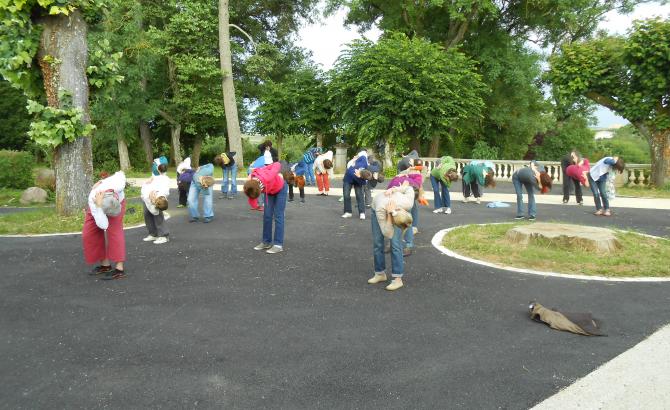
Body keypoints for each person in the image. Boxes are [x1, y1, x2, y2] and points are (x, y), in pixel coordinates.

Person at [368, 181, 415, 291]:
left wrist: (396, 189)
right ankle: (380, 274)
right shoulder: (380, 208)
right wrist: (389, 215)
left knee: (395, 244)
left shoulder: (408, 203)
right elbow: (387, 232)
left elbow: (409, 188)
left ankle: (398, 279)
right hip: (378, 209)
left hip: (391, 210)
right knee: (378, 242)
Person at [83, 171, 127, 280]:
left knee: (115, 232)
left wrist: (102, 181)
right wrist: (98, 206)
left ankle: (119, 269)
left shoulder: (118, 185)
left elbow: (121, 174)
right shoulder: (93, 199)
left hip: (116, 204)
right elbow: (102, 224)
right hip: (97, 204)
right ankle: (105, 265)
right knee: (89, 233)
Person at [243, 162, 288, 254]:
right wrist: (256, 206)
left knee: (278, 215)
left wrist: (275, 172)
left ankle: (278, 245)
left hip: (280, 188)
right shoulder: (249, 186)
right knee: (267, 215)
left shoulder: (268, 177)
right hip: (270, 191)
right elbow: (252, 197)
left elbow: (277, 165)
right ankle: (266, 242)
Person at [141, 164, 170, 244]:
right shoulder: (155, 175)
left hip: (155, 197)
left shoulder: (165, 179)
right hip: (147, 197)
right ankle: (153, 234)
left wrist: (155, 195)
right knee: (147, 214)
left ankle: (163, 235)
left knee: (157, 215)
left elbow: (165, 191)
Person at [342, 151, 372, 219]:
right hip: (348, 178)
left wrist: (357, 157)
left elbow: (364, 182)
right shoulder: (351, 171)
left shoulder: (365, 166)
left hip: (358, 179)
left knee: (359, 195)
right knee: (346, 195)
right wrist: (356, 158)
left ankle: (362, 212)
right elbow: (363, 153)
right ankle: (348, 212)